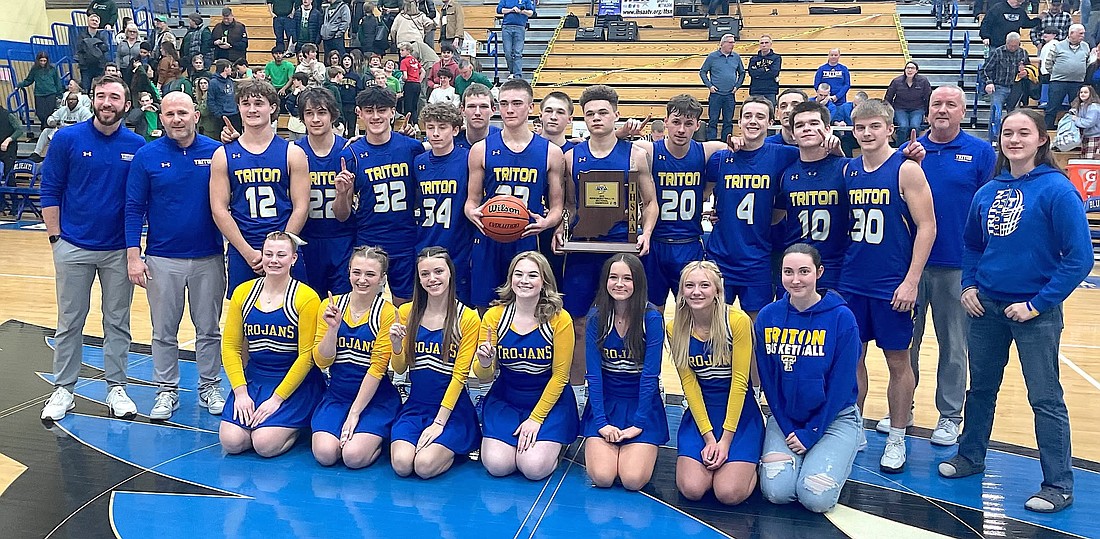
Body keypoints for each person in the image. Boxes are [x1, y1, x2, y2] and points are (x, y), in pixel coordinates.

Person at [939, 108, 1092, 514]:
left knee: (1045, 399)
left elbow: (1078, 259)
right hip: (986, 309)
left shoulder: (1057, 190)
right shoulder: (988, 190)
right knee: (981, 389)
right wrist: (969, 285)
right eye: (1007, 132)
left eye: (1024, 132)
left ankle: (1058, 484)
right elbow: (971, 244)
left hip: (1034, 313)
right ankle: (971, 457)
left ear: (1042, 139)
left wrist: (1037, 304)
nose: (1014, 139)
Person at [875, 86, 996, 446]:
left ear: (963, 110)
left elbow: (990, 208)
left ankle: (949, 415)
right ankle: (902, 408)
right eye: (936, 105)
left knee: (953, 344)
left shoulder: (980, 152)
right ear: (926, 112)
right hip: (908, 264)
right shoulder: (906, 154)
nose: (942, 110)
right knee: (904, 343)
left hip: (955, 266)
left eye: (950, 105)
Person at [39, 74, 146, 422]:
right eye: (101, 96)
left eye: (115, 97)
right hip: (72, 246)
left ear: (125, 105)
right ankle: (64, 389)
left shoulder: (137, 144)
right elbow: (50, 189)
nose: (107, 103)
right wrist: (56, 239)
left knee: (118, 322)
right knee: (69, 321)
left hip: (117, 250)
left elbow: (141, 200)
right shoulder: (67, 138)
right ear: (92, 100)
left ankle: (116, 388)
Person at [841, 99, 936, 473]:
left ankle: (897, 437)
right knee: (853, 358)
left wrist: (912, 281)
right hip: (852, 280)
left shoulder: (906, 170)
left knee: (898, 361)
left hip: (892, 283)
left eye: (874, 127)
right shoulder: (848, 169)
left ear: (889, 129)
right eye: (860, 128)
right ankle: (854, 428)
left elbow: (927, 227)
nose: (867, 133)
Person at [124, 91, 226, 420]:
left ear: (196, 115)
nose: (176, 119)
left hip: (208, 256)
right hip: (161, 258)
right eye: (169, 114)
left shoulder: (217, 153)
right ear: (161, 118)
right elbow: (133, 208)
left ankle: (210, 385)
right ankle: (166, 390)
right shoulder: (147, 155)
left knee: (209, 329)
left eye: (182, 112)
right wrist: (133, 256)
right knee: (163, 331)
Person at [558, 85, 658, 386]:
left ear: (616, 114)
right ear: (582, 119)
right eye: (590, 114)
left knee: (630, 322)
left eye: (603, 112)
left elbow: (650, 202)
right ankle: (577, 392)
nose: (596, 118)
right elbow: (571, 204)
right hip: (583, 250)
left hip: (623, 249)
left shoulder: (636, 155)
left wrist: (647, 233)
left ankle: (629, 385)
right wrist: (562, 231)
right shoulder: (572, 158)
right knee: (577, 322)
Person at [756, 243, 862, 513]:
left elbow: (841, 387)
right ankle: (809, 459)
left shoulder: (842, 318)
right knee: (777, 493)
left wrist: (812, 432)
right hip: (786, 419)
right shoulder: (768, 317)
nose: (795, 279)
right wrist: (787, 425)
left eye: (804, 271)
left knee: (815, 498)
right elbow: (769, 383)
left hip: (834, 418)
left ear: (819, 272)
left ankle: (836, 454)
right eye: (788, 272)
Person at [473, 251, 577, 480]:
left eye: (532, 275)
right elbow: (483, 376)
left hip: (548, 400)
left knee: (532, 468)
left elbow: (560, 377)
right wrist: (484, 362)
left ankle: (556, 446)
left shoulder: (560, 319)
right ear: (511, 279)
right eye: (518, 274)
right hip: (507, 398)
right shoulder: (494, 317)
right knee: (497, 466)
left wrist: (536, 418)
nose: (524, 280)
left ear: (544, 282)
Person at [220, 232, 323, 457]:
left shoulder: (306, 297)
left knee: (264, 445)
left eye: (281, 255)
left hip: (293, 384)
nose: (274, 260)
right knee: (231, 442)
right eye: (268, 254)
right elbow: (230, 347)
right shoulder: (243, 292)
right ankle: (265, 421)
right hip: (256, 379)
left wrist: (277, 399)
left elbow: (307, 356)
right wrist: (240, 393)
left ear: (293, 259)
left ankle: (298, 426)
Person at [465, 78, 565, 312]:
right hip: (489, 237)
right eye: (504, 103)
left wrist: (546, 223)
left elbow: (557, 206)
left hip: (527, 236)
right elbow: (471, 201)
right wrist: (474, 214)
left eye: (517, 103)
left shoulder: (551, 152)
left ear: (531, 108)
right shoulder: (480, 149)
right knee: (485, 309)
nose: (510, 110)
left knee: (528, 308)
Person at [669, 260, 761, 505]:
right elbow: (689, 386)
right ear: (681, 291)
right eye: (689, 285)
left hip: (739, 413)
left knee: (728, 493)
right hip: (702, 414)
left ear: (718, 290)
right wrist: (710, 438)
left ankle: (753, 465)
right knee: (692, 489)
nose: (696, 291)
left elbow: (741, 382)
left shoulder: (737, 321)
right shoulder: (675, 327)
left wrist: (725, 441)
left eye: (704, 285)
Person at [210, 79, 311, 295]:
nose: (252, 109)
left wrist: (280, 249)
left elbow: (301, 206)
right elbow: (219, 209)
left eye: (259, 103)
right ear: (238, 107)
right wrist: (247, 252)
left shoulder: (292, 152)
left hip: (284, 246)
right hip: (243, 248)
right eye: (246, 104)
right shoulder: (223, 154)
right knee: (245, 319)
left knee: (290, 316)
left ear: (272, 107)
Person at [389, 247, 483, 478]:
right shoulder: (406, 312)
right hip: (415, 406)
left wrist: (439, 423)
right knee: (402, 465)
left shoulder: (468, 318)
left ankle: (455, 446)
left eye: (438, 271)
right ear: (419, 279)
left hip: (451, 411)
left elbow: (460, 376)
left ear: (450, 272)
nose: (432, 279)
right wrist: (397, 345)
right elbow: (400, 368)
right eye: (425, 274)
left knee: (424, 466)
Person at [705, 96, 799, 319]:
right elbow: (702, 194)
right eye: (747, 116)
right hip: (720, 259)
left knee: (757, 330)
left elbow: (819, 155)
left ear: (770, 122)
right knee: (713, 328)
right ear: (739, 122)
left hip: (757, 260)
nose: (753, 121)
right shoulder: (720, 158)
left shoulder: (783, 155)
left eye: (760, 116)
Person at [581, 254, 668, 491]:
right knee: (603, 477)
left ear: (638, 283)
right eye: (614, 277)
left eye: (627, 278)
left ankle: (643, 450)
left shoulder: (651, 319)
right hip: (607, 401)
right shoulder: (596, 318)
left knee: (632, 480)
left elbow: (651, 376)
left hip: (641, 403)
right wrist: (601, 422)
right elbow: (594, 376)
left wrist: (639, 423)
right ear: (605, 282)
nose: (619, 284)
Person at [309, 245, 400, 467]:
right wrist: (332, 329)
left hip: (375, 398)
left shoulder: (388, 313)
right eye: (356, 272)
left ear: (382, 279)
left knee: (353, 457)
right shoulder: (330, 306)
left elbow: (377, 369)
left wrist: (354, 414)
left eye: (370, 274)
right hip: (338, 394)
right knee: (325, 454)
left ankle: (379, 441)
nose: (362, 280)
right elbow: (322, 361)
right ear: (348, 271)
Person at [337, 86, 425, 305]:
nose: (375, 116)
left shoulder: (412, 148)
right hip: (369, 239)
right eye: (369, 110)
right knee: (365, 304)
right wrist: (341, 194)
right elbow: (341, 215)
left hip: (405, 238)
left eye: (382, 110)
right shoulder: (351, 154)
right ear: (359, 113)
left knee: (404, 305)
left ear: (392, 112)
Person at [775, 101, 850, 290]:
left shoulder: (846, 168)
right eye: (800, 125)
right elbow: (773, 217)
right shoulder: (786, 173)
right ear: (792, 134)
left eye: (814, 123)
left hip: (836, 266)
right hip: (796, 268)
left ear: (827, 129)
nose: (807, 129)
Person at [293, 87, 355, 296]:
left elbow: (344, 214)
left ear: (332, 115)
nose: (315, 119)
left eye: (321, 112)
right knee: (310, 305)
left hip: (342, 239)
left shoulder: (347, 151)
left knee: (341, 303)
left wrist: (342, 193)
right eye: (309, 114)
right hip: (306, 239)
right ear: (302, 118)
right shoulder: (294, 152)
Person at [412, 104, 475, 304]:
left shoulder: (468, 158)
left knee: (458, 308)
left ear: (455, 130)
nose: (436, 133)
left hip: (458, 246)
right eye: (430, 127)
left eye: (442, 127)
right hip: (425, 243)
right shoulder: (418, 162)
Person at [983, 33, 1030, 140]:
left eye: (1015, 46)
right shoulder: (998, 52)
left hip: (1016, 87)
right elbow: (986, 69)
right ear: (1006, 42)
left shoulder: (1023, 53)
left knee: (1014, 116)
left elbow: (1029, 68)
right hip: (999, 86)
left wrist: (1025, 72)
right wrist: (989, 82)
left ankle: (1010, 137)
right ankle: (994, 138)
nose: (1013, 48)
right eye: (1011, 45)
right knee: (996, 114)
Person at [698, 34, 745, 141]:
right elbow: (702, 72)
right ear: (722, 43)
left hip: (730, 94)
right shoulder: (712, 57)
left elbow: (742, 73)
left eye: (733, 42)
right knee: (713, 120)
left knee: (728, 121)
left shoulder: (736, 57)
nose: (732, 44)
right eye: (730, 42)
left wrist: (737, 86)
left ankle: (726, 142)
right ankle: (711, 142)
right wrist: (709, 86)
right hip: (716, 94)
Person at [1044, 23, 1090, 129]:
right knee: (1052, 107)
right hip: (1058, 82)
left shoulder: (1085, 46)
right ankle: (1046, 130)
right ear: (1071, 34)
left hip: (1077, 83)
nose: (1083, 36)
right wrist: (1058, 73)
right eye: (1081, 33)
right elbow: (1048, 63)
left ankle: (1076, 131)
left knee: (1077, 109)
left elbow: (1087, 63)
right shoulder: (1057, 46)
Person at [30, 91, 94, 161]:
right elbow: (51, 118)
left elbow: (88, 124)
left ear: (78, 101)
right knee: (46, 131)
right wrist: (52, 122)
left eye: (73, 99)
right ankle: (36, 153)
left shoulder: (83, 111)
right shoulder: (63, 110)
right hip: (62, 132)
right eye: (69, 99)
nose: (71, 101)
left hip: (77, 134)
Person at [884, 61, 932, 142]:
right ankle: (900, 147)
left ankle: (914, 146)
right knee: (903, 127)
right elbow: (888, 97)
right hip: (900, 108)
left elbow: (928, 98)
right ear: (905, 70)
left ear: (916, 70)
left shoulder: (923, 81)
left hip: (917, 108)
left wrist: (928, 114)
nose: (909, 70)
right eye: (908, 68)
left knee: (915, 126)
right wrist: (888, 114)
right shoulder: (896, 81)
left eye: (912, 68)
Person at [18, 52, 64, 129]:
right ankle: (45, 127)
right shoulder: (34, 69)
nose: (43, 62)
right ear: (38, 60)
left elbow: (57, 81)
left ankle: (45, 129)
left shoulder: (52, 69)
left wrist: (60, 94)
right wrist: (20, 85)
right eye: (41, 60)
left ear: (47, 61)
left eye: (44, 61)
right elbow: (29, 80)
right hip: (39, 94)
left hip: (51, 93)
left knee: (49, 113)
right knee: (40, 113)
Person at [497, 0, 534, 80]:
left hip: (520, 27)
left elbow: (531, 12)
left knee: (518, 52)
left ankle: (517, 75)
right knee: (507, 52)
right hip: (507, 27)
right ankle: (512, 71)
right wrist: (511, 10)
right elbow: (499, 10)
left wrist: (522, 11)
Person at [75, 14, 110, 92]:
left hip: (99, 66)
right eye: (92, 20)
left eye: (96, 21)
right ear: (88, 22)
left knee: (100, 89)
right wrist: (96, 45)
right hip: (86, 67)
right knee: (85, 89)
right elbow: (79, 49)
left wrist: (89, 45)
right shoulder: (82, 35)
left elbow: (105, 48)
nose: (94, 22)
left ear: (99, 23)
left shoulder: (102, 36)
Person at [747, 35, 781, 106]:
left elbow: (774, 72)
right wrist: (765, 69)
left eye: (766, 43)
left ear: (770, 44)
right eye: (762, 43)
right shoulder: (753, 59)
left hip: (770, 91)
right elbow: (751, 73)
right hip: (755, 90)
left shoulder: (776, 58)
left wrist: (758, 73)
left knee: (770, 112)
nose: (764, 45)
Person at [1070, 84, 1100, 157]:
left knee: (1090, 160)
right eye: (1081, 92)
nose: (1083, 94)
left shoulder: (1094, 107)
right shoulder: (1081, 105)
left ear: (1091, 94)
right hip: (1086, 136)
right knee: (1084, 158)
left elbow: (1089, 123)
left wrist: (1076, 119)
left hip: (1095, 136)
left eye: (1085, 92)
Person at [397, 42, 423, 125]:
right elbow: (423, 71)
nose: (400, 52)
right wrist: (419, 80)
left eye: (402, 50)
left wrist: (404, 80)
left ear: (408, 51)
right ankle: (415, 124)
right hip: (417, 84)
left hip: (409, 84)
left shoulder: (404, 61)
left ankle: (408, 124)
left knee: (408, 105)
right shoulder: (414, 60)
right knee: (414, 105)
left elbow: (405, 76)